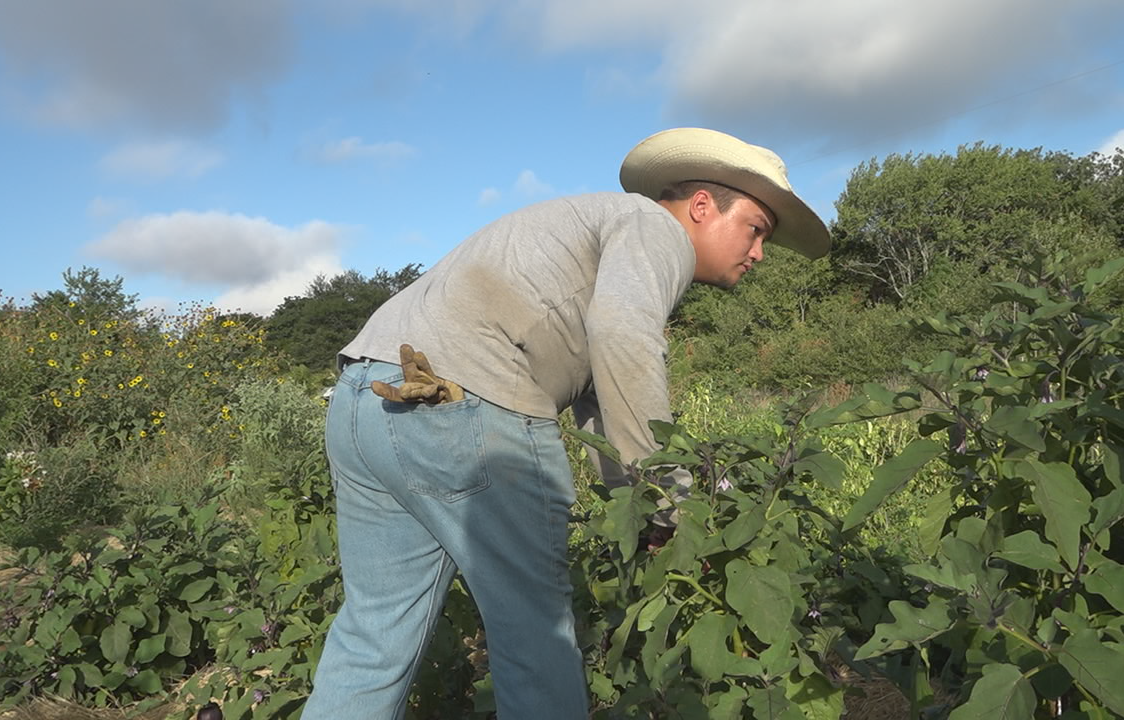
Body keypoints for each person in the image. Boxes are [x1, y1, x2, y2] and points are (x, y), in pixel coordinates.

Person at [300, 128, 830, 719]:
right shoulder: (655, 228)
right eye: (756, 229)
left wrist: (640, 503)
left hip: (364, 399)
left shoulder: (589, 228)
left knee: (375, 630)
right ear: (702, 207)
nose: (759, 253)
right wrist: (674, 503)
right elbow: (625, 339)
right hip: (464, 407)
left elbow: (601, 393)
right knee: (535, 634)